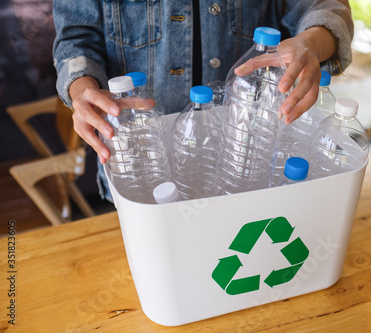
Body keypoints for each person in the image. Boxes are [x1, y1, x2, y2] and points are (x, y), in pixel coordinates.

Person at [52, 0, 354, 201]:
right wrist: (81, 90)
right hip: (136, 164)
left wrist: (310, 44)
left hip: (243, 170)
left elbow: (325, 6)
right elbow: (76, 35)